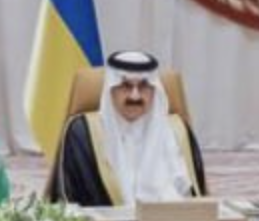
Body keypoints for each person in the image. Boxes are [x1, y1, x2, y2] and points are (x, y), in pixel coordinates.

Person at [46, 50, 206, 206]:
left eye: (144, 86)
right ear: (110, 89)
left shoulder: (177, 132)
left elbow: (197, 200)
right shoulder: (84, 133)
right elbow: (69, 203)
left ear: (155, 90)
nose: (135, 96)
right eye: (125, 86)